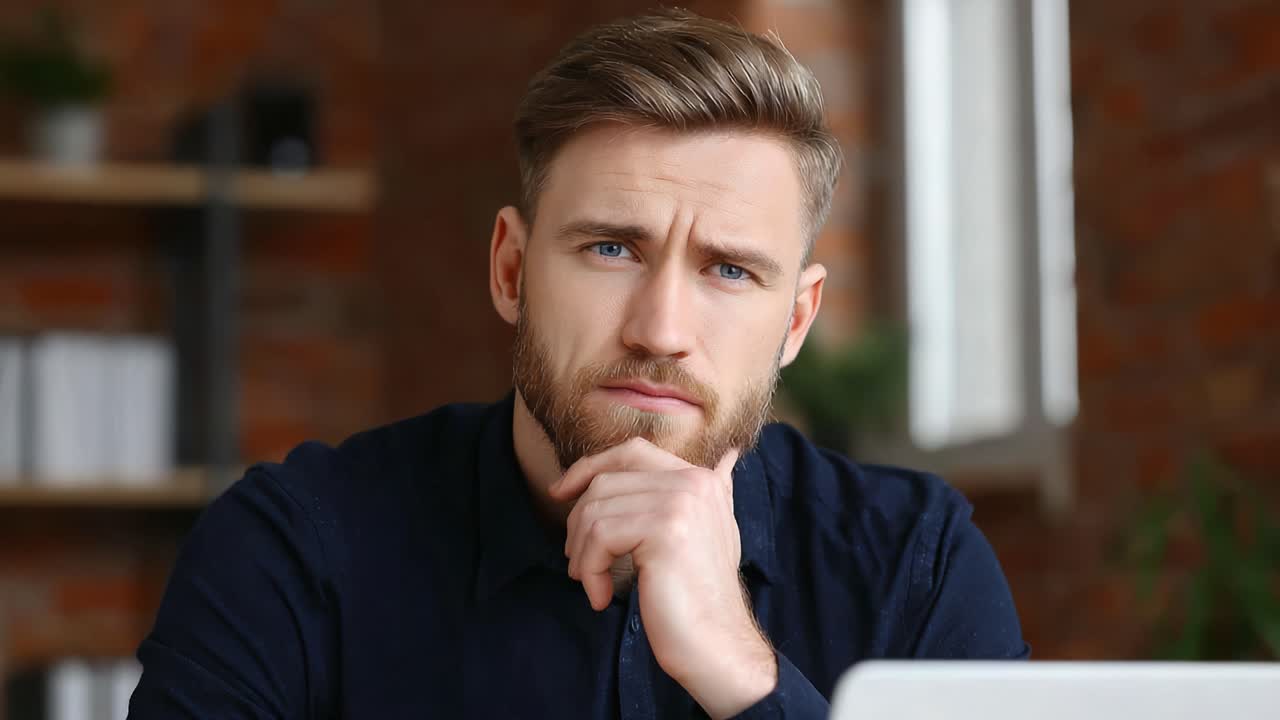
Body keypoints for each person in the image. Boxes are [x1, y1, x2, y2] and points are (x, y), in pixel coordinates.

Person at [129, 9, 1027, 719]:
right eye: (610, 250)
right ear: (511, 270)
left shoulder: (917, 566)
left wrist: (743, 673)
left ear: (795, 321)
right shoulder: (293, 553)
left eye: (729, 270)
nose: (660, 329)